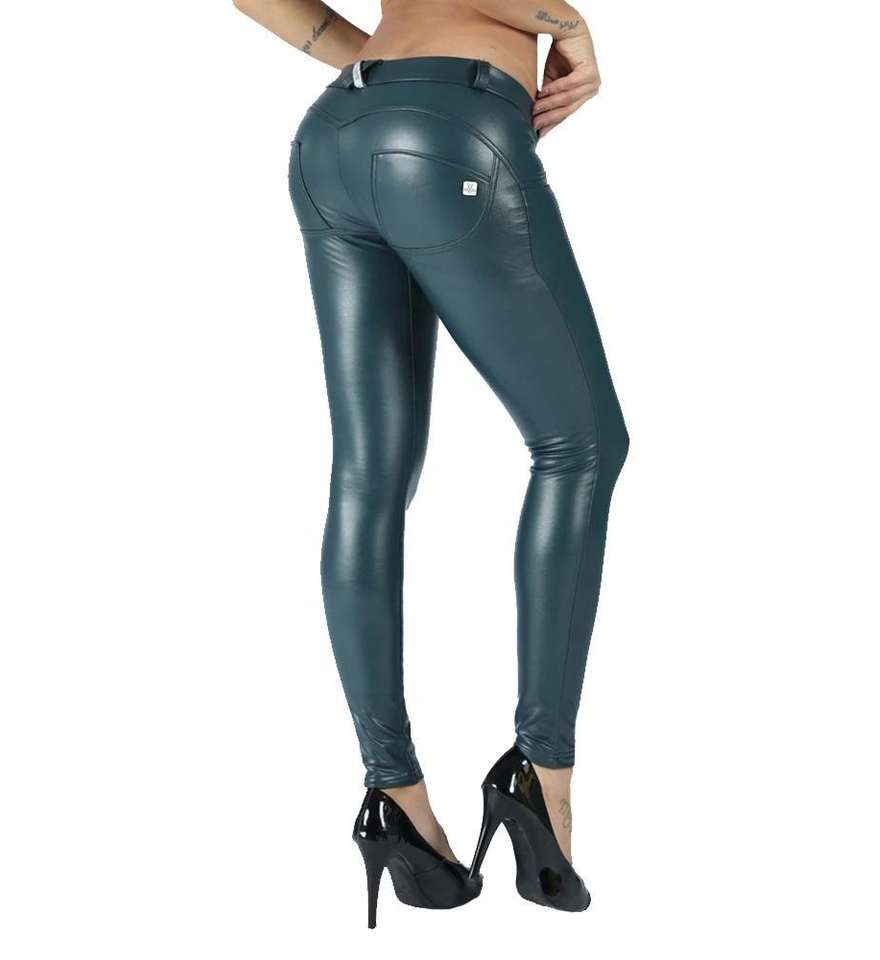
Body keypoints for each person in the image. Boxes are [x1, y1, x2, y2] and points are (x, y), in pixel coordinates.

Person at [232, 0, 628, 926]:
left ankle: (395, 797)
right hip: (445, 133)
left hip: (336, 135)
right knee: (579, 445)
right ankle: (542, 776)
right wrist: (564, 24)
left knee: (368, 474)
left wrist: (376, 62)